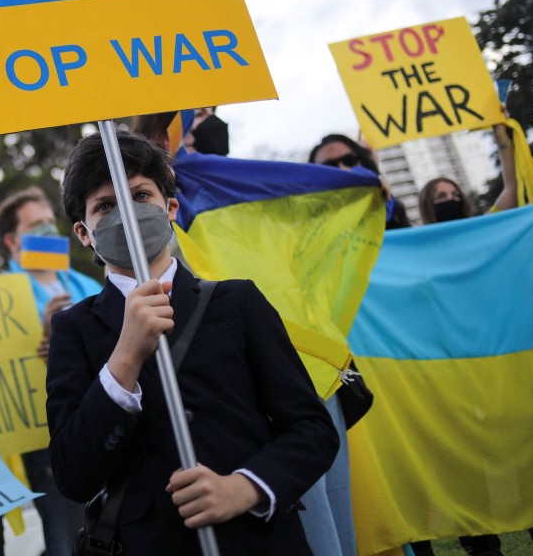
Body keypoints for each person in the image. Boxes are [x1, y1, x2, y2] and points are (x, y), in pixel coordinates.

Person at [47, 131, 339, 555]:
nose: (127, 213)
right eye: (106, 206)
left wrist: (244, 487)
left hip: (257, 542)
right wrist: (125, 358)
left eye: (140, 195)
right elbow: (72, 474)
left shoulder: (237, 301)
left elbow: (312, 429)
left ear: (170, 207)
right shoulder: (74, 329)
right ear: (83, 232)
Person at [0, 187, 102, 554]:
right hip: (46, 440)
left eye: (48, 221)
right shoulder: (0, 300)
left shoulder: (86, 284)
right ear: (12, 241)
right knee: (68, 538)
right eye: (34, 225)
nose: (47, 229)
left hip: (104, 421)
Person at [309, 133, 412, 229]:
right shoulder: (311, 228)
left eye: (349, 159)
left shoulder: (391, 212)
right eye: (329, 167)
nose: (343, 169)